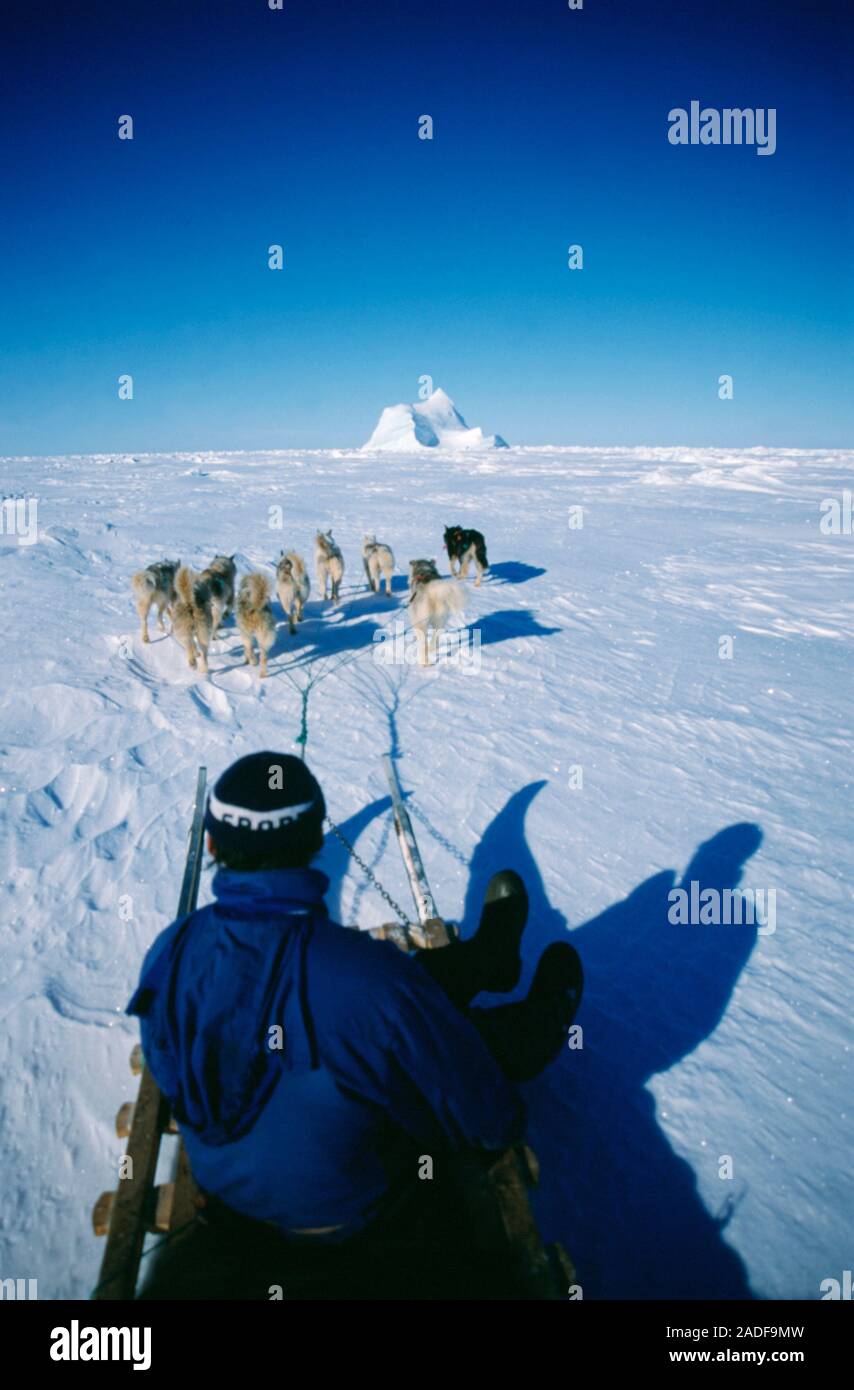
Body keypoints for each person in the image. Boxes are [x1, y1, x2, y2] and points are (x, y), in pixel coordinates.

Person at [128, 752, 582, 1298]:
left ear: (212, 846)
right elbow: (487, 1120)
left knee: (383, 1006)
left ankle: (489, 958)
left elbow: (182, 1072)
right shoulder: (368, 978)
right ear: (316, 841)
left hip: (229, 1199)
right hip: (354, 1217)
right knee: (411, 1024)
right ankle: (530, 1026)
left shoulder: (171, 952)